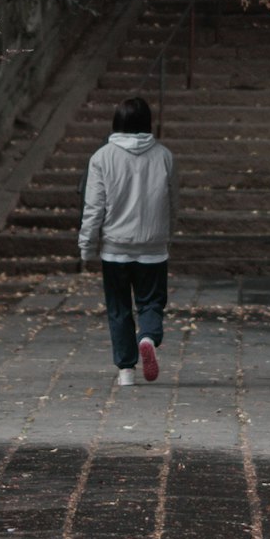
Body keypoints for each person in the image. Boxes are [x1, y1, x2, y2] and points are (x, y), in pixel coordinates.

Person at [78, 94, 175, 385]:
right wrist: (168, 233)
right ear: (148, 123)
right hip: (153, 248)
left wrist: (86, 244)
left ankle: (126, 371)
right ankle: (148, 337)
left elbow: (94, 207)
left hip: (114, 249)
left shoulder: (102, 158)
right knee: (152, 303)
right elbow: (173, 202)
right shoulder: (164, 156)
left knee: (119, 308)